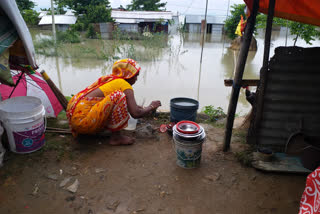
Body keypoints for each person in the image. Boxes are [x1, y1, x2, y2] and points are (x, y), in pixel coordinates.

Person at [66, 58, 161, 145]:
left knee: (117, 99)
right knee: (119, 96)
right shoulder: (124, 84)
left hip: (76, 122)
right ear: (128, 75)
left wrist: (137, 107)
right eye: (135, 76)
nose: (136, 79)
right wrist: (151, 106)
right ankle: (116, 137)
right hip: (83, 123)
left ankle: (96, 129)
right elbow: (135, 113)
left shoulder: (110, 80)